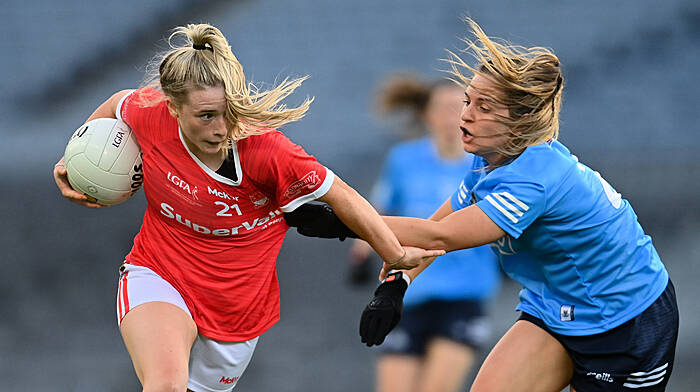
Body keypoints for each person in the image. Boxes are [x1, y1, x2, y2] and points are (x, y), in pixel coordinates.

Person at [287, 18, 679, 392]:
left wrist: (338, 219)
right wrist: (397, 283)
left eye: (485, 107)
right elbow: (433, 231)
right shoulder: (487, 158)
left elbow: (441, 235)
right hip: (554, 306)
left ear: (521, 123)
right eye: (469, 100)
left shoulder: (534, 178)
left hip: (627, 324)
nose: (465, 115)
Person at [52, 23, 443, 392]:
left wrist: (393, 259)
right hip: (159, 273)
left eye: (228, 112)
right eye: (205, 115)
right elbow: (115, 105)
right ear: (172, 108)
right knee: (166, 384)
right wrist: (76, 163)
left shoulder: (269, 152)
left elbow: (344, 197)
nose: (221, 128)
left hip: (237, 310)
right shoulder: (147, 112)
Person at [348, 74, 501, 392]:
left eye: (460, 107)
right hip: (408, 292)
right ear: (427, 115)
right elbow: (377, 213)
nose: (453, 117)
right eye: (444, 108)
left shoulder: (486, 165)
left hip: (464, 296)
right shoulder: (404, 159)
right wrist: (361, 250)